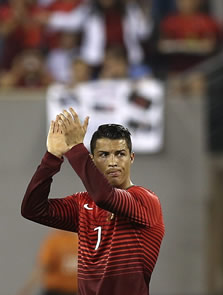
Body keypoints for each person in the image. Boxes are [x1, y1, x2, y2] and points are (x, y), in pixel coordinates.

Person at [21, 108, 165, 295]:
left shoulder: (146, 200)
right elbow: (32, 209)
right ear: (92, 160)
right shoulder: (83, 204)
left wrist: (75, 148)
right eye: (104, 155)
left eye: (120, 154)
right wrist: (52, 157)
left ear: (131, 158)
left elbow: (105, 197)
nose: (113, 162)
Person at [18, 229, 78, 295]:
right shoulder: (76, 241)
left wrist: (26, 289)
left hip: (63, 289)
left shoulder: (55, 240)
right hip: (63, 289)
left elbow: (43, 266)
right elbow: (43, 266)